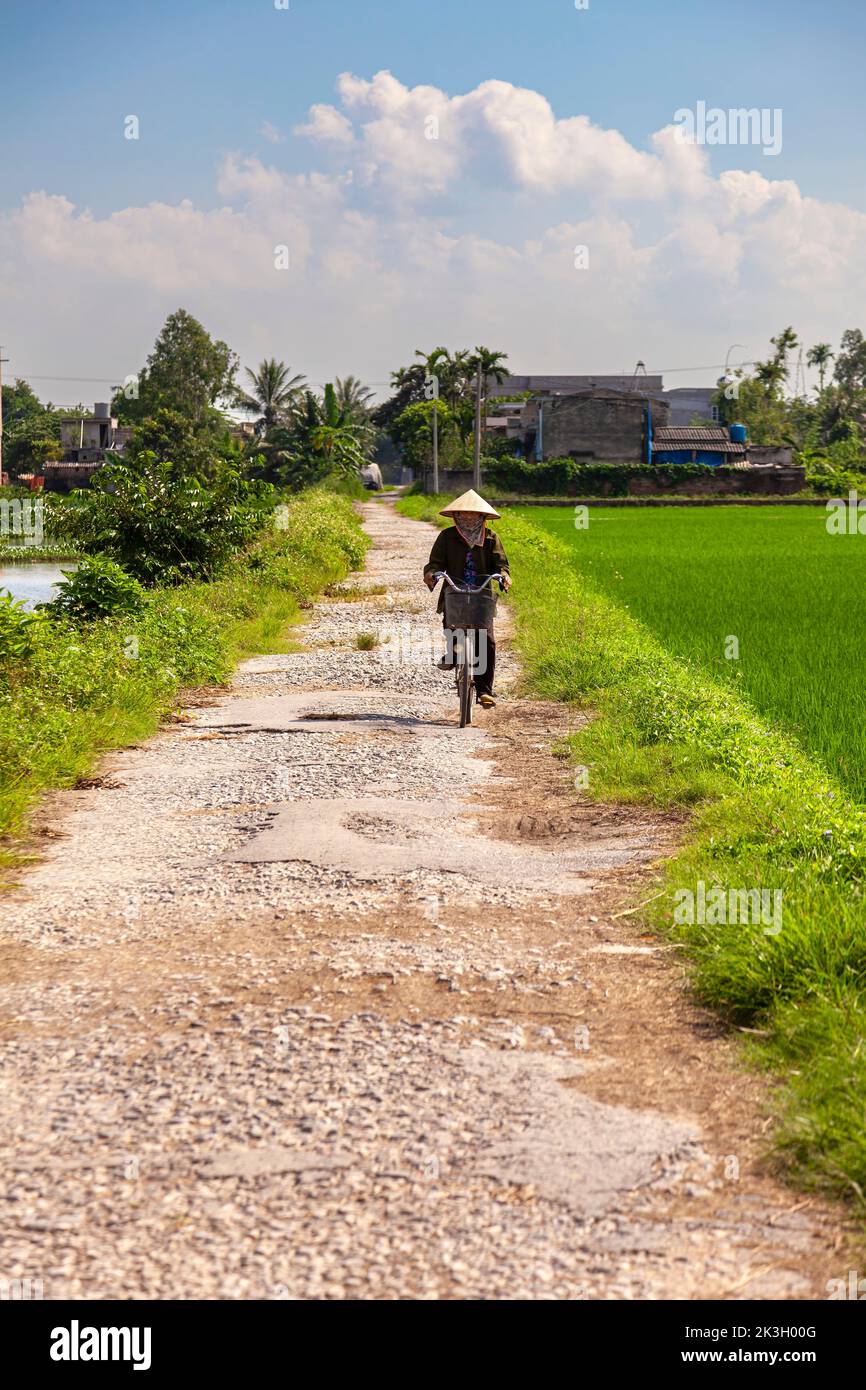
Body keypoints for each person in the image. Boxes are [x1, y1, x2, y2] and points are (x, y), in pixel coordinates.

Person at [423, 489, 511, 709]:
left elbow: (501, 564)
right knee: (452, 625)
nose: (469, 518)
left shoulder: (491, 538)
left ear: (482, 517)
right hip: (455, 590)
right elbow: (434, 563)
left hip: (481, 593)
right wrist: (432, 574)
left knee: (487, 640)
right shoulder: (447, 537)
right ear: (457, 516)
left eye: (474, 514)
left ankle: (484, 691)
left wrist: (504, 576)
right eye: (464, 514)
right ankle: (453, 653)